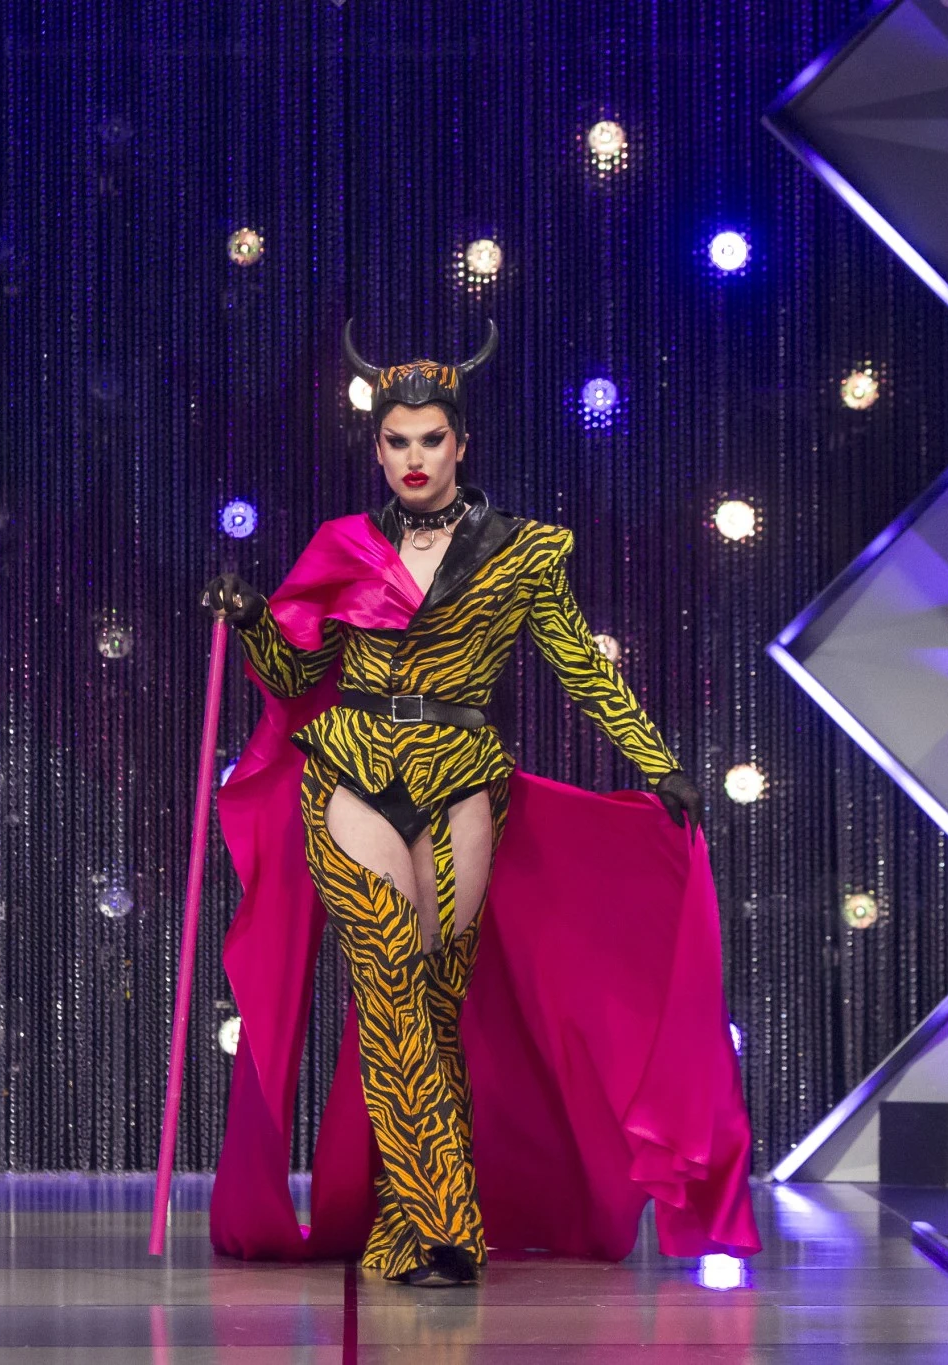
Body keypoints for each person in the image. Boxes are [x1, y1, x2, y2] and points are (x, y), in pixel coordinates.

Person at [204, 321, 761, 1286]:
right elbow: (295, 675)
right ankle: (447, 1225)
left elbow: (580, 665)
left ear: (461, 443)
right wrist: (254, 619)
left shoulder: (522, 551)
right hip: (354, 766)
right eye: (397, 440)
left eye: (431, 438)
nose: (414, 457)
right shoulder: (344, 545)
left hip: (461, 772)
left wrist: (657, 761)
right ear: (378, 448)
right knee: (389, 977)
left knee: (431, 998)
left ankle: (404, 1227)